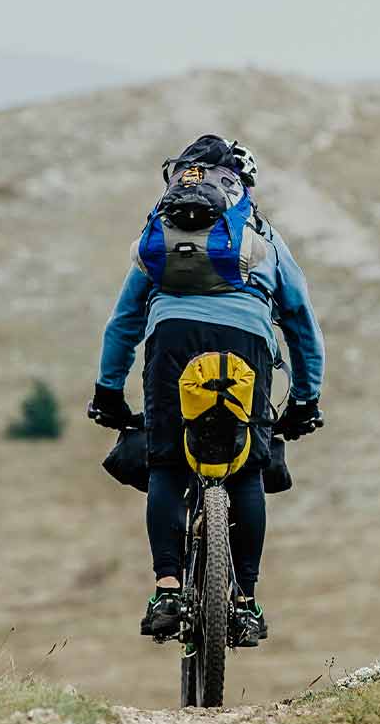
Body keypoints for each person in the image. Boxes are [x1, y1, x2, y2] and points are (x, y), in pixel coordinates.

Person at [88, 135, 326, 647]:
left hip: (171, 342)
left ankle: (168, 590)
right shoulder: (260, 233)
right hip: (247, 345)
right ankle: (244, 604)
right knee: (246, 468)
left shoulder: (161, 232)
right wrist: (306, 398)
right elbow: (301, 318)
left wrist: (108, 390)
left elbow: (124, 320)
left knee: (168, 463)